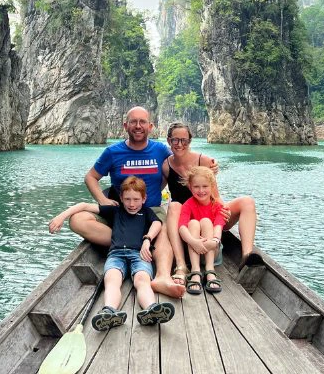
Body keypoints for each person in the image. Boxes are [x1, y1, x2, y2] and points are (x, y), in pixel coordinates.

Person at [68, 106, 187, 298]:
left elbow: (181, 163)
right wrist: (103, 200)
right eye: (133, 122)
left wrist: (209, 166)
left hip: (152, 210)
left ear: (150, 126)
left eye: (142, 122)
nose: (138, 126)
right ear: (126, 125)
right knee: (77, 219)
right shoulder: (113, 152)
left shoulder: (160, 150)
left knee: (165, 228)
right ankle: (130, 242)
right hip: (121, 213)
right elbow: (91, 177)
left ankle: (162, 277)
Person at [48, 176, 176, 329]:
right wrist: (61, 217)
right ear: (121, 198)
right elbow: (83, 206)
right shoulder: (115, 211)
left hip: (139, 254)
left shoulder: (147, 212)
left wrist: (147, 240)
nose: (132, 204)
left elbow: (157, 223)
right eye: (127, 199)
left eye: (136, 199)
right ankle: (109, 311)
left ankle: (151, 309)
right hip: (116, 255)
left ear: (144, 198)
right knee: (112, 281)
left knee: (142, 280)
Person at [158, 121, 262, 289]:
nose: (179, 144)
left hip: (208, 213)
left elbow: (215, 194)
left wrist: (222, 211)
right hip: (187, 220)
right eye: (175, 140)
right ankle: (181, 264)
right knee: (174, 205)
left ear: (190, 141)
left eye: (184, 140)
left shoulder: (204, 161)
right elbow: (157, 190)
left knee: (247, 202)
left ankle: (246, 256)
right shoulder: (166, 166)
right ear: (169, 141)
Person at [178, 166, 226, 294]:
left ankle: (210, 270)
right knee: (192, 223)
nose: (201, 191)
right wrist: (194, 242)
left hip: (212, 249)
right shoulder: (187, 205)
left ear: (212, 187)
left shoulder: (218, 206)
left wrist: (213, 242)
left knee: (206, 221)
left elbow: (218, 227)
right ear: (190, 187)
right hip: (194, 250)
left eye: (205, 186)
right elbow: (182, 227)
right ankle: (195, 271)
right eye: (196, 187)